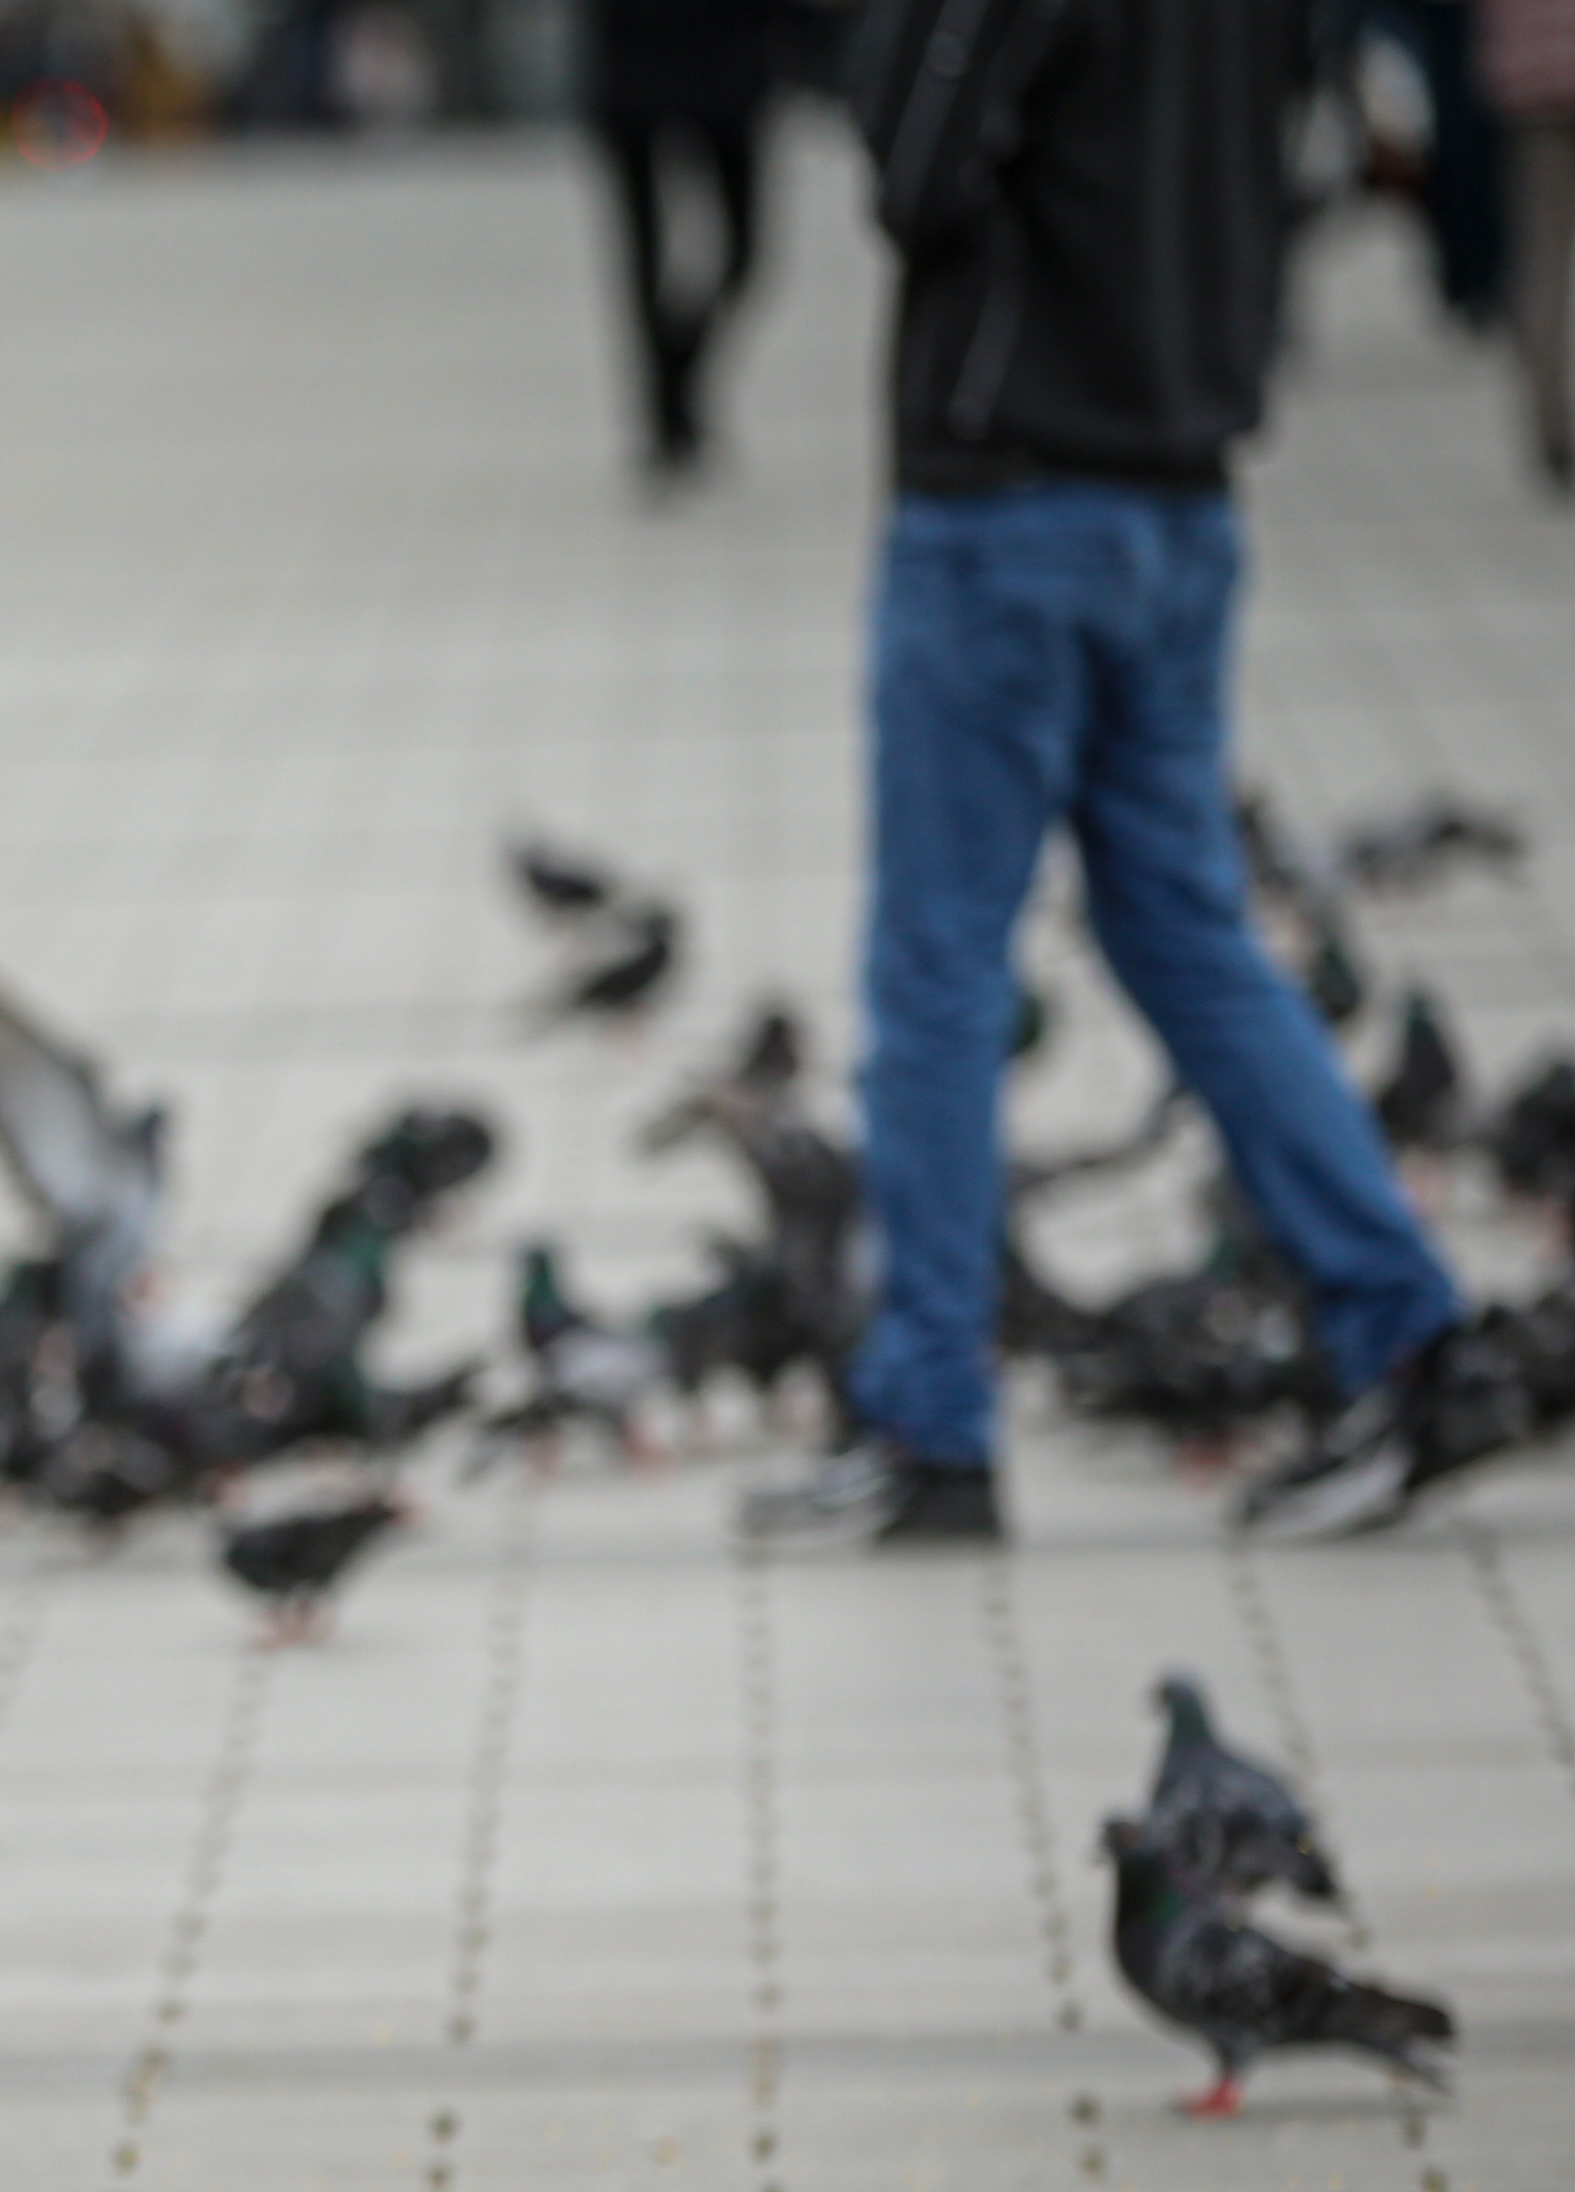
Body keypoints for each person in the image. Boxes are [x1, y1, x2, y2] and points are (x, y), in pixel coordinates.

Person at [750, 0, 1480, 1547]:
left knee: (939, 967)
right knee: (1184, 931)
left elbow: (914, 174)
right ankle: (1407, 1331)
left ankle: (928, 1421)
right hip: (1183, 485)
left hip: (1009, 501)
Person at [578, 0, 776, 482]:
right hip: (634, 70)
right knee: (644, 260)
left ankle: (678, 380)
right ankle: (663, 415)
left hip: (727, 67)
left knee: (745, 252)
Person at [1499, 0, 1575, 490]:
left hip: (1531, 84)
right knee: (1542, 263)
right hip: (1531, 88)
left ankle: (1551, 424)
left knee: (1542, 260)